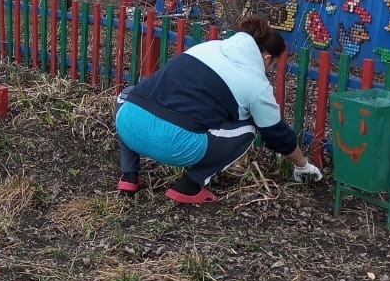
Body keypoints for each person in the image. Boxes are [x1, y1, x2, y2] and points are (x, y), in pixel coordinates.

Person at [114, 16, 322, 203]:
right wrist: (303, 165)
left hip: (130, 124)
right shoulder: (257, 84)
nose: (270, 70)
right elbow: (276, 135)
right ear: (267, 57)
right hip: (176, 145)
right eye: (273, 65)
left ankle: (129, 175)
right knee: (250, 129)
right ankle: (190, 186)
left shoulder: (206, 48)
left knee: (130, 94)